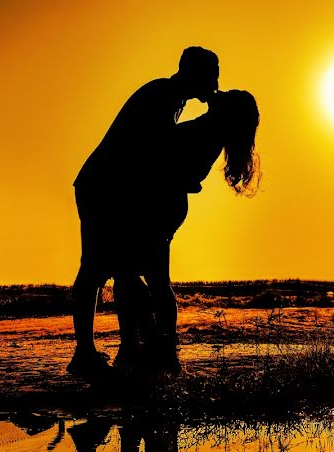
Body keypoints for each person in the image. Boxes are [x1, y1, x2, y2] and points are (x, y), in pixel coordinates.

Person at [68, 47, 219, 377]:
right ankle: (86, 352)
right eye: (213, 74)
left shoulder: (171, 99)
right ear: (195, 74)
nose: (216, 82)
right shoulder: (163, 96)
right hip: (102, 186)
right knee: (95, 268)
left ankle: (120, 349)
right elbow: (152, 150)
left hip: (112, 186)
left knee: (115, 269)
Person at [117, 89, 260, 375]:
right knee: (148, 277)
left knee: (132, 275)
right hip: (165, 204)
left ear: (226, 111)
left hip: (158, 204)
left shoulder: (205, 132)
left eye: (226, 95)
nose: (219, 92)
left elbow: (163, 160)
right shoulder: (210, 131)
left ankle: (146, 347)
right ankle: (151, 347)